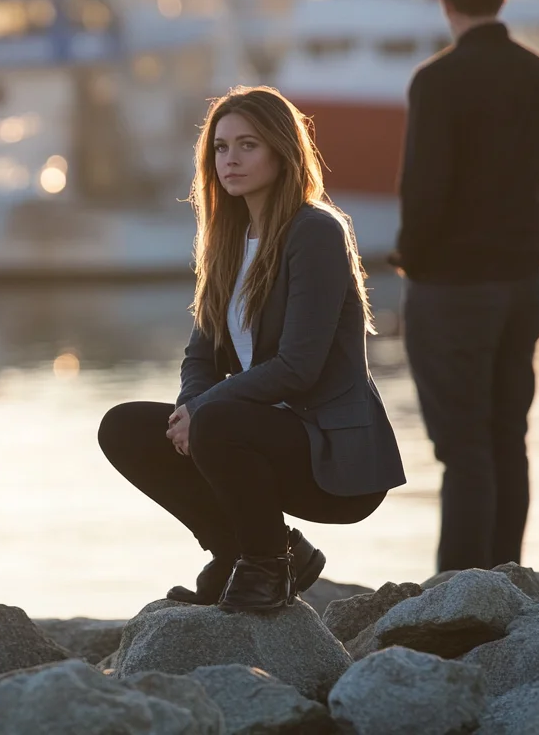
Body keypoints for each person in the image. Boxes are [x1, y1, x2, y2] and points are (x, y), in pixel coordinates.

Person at [98, 86, 406, 612]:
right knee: (123, 428)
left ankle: (266, 566)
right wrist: (186, 411)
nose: (231, 159)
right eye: (220, 147)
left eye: (248, 145)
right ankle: (244, 551)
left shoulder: (316, 232)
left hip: (330, 454)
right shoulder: (228, 239)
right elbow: (202, 355)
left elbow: (298, 368)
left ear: (282, 152)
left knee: (217, 419)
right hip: (250, 436)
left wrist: (205, 411)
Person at [390, 0, 539, 574]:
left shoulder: (436, 81)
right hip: (522, 281)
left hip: (453, 286)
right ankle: (506, 576)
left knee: (463, 448)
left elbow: (425, 188)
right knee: (506, 436)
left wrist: (412, 258)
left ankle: (460, 591)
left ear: (445, 1)